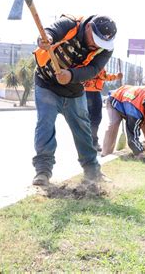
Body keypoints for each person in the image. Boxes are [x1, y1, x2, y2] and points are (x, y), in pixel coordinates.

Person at [31, 14, 117, 186]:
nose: (95, 46)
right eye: (95, 40)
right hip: (46, 84)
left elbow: (94, 69)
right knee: (45, 124)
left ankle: (93, 172)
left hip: (74, 90)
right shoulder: (70, 24)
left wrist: (71, 75)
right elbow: (51, 31)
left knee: (83, 130)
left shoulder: (106, 49)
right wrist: (45, 38)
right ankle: (43, 171)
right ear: (88, 28)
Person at [101, 74, 145, 159]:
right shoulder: (135, 114)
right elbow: (132, 137)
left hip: (130, 100)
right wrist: (139, 153)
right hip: (115, 99)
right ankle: (106, 154)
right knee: (114, 123)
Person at [84, 69, 123, 152]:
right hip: (88, 92)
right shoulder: (92, 61)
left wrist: (116, 76)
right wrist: (116, 76)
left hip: (95, 92)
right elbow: (103, 75)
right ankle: (91, 143)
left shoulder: (98, 61)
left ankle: (92, 142)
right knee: (92, 119)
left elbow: (104, 75)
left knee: (95, 119)